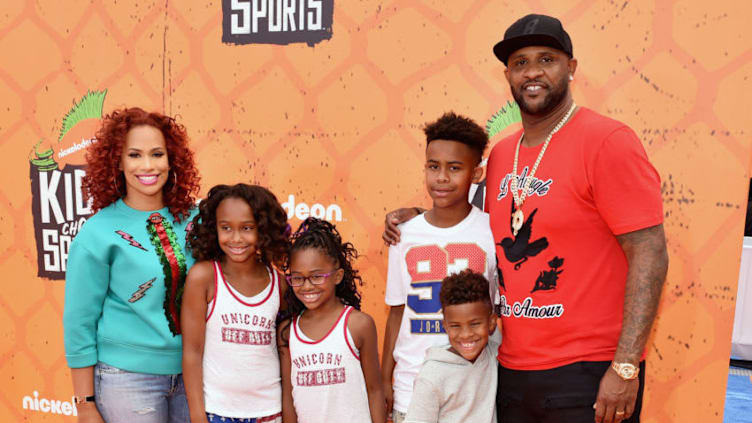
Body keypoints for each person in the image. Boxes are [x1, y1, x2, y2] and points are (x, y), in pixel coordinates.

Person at [383, 14, 668, 423]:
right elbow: (479, 222)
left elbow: (650, 251)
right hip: (510, 371)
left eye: (546, 59)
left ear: (570, 68)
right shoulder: (501, 153)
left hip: (587, 371)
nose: (532, 72)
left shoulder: (608, 141)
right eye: (520, 63)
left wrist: (625, 365)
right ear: (507, 75)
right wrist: (418, 217)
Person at [63, 107, 201, 422]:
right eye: (135, 155)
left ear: (172, 160)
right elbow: (79, 322)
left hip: (195, 377)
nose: (148, 165)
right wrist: (85, 404)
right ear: (118, 162)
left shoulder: (197, 220)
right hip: (126, 380)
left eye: (157, 154)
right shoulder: (98, 232)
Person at [381, 112, 500, 423]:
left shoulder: (492, 232)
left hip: (473, 394)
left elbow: (497, 314)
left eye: (455, 168)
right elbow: (397, 311)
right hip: (412, 387)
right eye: (434, 167)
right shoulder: (403, 234)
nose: (442, 178)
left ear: (476, 174)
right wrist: (385, 380)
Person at [181, 184, 291, 423]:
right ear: (214, 229)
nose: (236, 238)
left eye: (247, 228)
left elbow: (285, 355)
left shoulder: (279, 285)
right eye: (226, 228)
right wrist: (198, 415)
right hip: (217, 413)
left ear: (263, 230)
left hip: (269, 412)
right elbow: (192, 352)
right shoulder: (204, 277)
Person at [277, 217, 386, 423]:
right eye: (298, 278)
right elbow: (288, 399)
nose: (307, 286)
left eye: (317, 276)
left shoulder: (358, 324)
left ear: (337, 276)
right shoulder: (288, 331)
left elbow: (375, 390)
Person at [405, 270, 499, 423]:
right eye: (455, 326)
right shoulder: (431, 376)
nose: (466, 334)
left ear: (492, 323)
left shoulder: (494, 355)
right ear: (445, 326)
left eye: (475, 324)